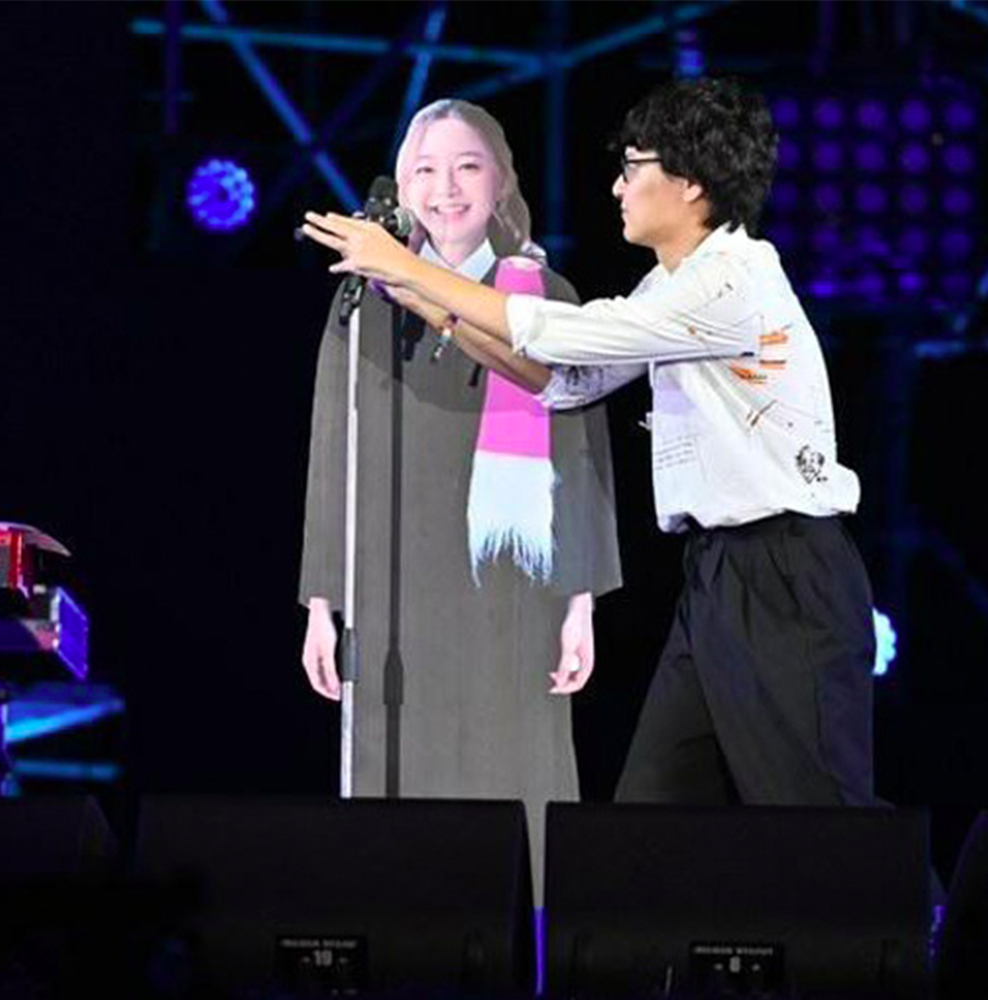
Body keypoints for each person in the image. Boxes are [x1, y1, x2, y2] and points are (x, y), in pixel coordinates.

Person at [301, 77, 877, 810]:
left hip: (786, 570)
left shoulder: (729, 284)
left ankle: (917, 893)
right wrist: (426, 301)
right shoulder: (670, 286)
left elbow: (560, 333)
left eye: (632, 168)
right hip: (716, 573)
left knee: (823, 817)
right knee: (650, 814)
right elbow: (567, 382)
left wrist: (407, 264)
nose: (616, 188)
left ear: (690, 184)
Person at [298, 99, 621, 894]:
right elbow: (334, 448)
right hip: (393, 585)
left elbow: (580, 448)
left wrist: (580, 601)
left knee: (512, 785)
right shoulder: (364, 299)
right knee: (397, 798)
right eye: (425, 170)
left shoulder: (541, 294)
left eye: (467, 167)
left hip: (510, 585)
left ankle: (520, 938)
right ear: (402, 187)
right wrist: (321, 603)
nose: (445, 189)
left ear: (501, 181)